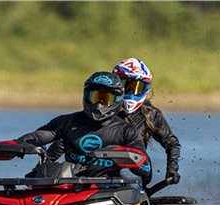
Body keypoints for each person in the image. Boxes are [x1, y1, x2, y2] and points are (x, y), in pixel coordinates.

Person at [16, 71, 151, 185]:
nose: (99, 105)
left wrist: (122, 155)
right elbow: (39, 136)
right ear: (86, 96)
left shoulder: (126, 131)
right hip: (72, 188)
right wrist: (16, 145)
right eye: (95, 97)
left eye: (105, 99)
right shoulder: (67, 122)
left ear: (117, 100)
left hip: (109, 189)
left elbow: (145, 168)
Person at [112, 57, 181, 184]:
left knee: (126, 175)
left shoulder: (151, 114)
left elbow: (172, 143)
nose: (131, 93)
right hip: (103, 166)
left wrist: (172, 169)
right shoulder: (104, 111)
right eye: (126, 86)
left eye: (137, 88)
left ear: (145, 89)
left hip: (136, 168)